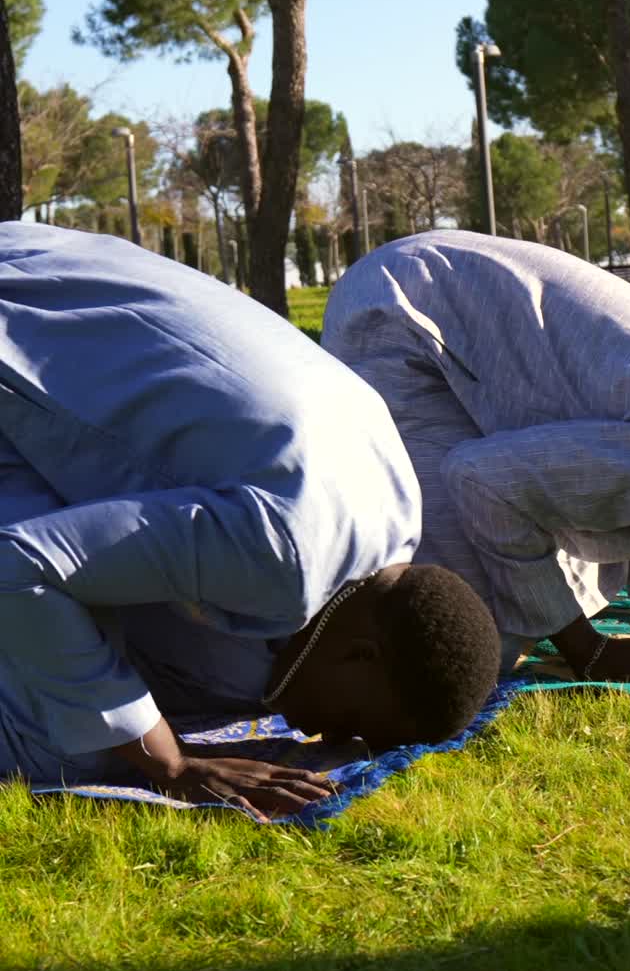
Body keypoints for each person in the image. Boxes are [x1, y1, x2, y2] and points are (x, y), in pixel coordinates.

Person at [0, 222, 500, 821]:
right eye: (346, 723)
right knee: (64, 747)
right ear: (363, 656)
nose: (310, 733)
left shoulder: (394, 513)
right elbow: (20, 561)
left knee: (166, 684)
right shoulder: (284, 556)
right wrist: (171, 764)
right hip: (18, 343)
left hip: (40, 271)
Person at [322, 230, 630, 684]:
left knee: (531, 571)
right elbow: (480, 480)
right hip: (393, 307)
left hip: (443, 281)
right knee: (474, 635)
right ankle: (299, 660)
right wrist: (587, 652)